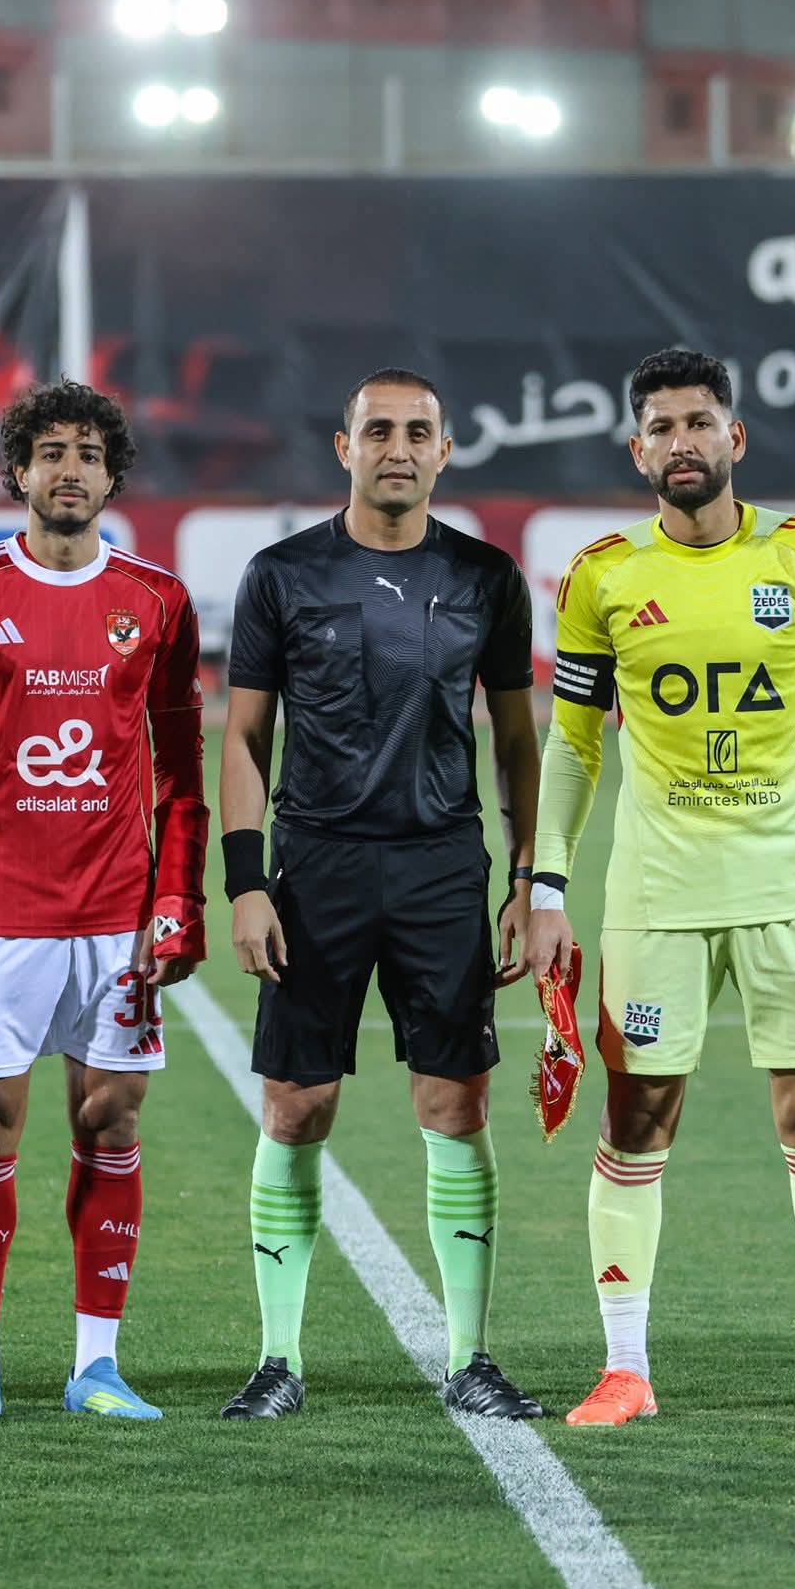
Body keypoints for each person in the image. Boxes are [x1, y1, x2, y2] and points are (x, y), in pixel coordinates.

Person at [527, 347, 795, 1429]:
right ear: (636, 449)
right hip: (653, 897)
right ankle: (624, 1369)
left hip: (792, 893)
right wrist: (547, 885)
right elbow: (572, 744)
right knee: (637, 1117)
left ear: (734, 437)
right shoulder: (602, 575)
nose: (682, 442)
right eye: (660, 426)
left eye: (698, 422)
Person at [218, 368, 544, 1421]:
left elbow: (516, 738)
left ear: (444, 451)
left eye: (417, 432)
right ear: (344, 446)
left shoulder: (486, 578)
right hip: (315, 868)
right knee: (296, 1104)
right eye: (378, 431)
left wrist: (527, 877)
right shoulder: (282, 575)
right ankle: (277, 1359)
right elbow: (244, 738)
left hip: (442, 867)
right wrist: (245, 883)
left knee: (454, 1103)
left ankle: (470, 1357)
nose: (396, 448)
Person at [0, 380, 206, 1426]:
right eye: (50, 452)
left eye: (87, 453)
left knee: (110, 1116)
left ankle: (97, 1364)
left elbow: (181, 766)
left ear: (113, 477)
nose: (68, 469)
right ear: (18, 471)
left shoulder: (157, 600)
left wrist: (178, 895)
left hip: (119, 917)